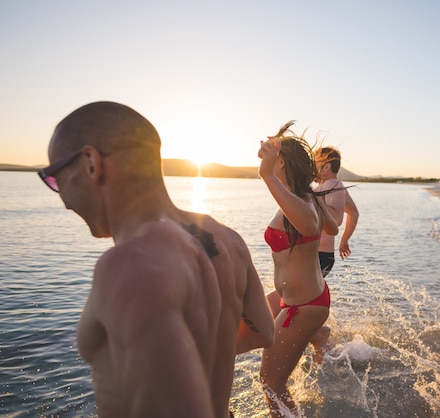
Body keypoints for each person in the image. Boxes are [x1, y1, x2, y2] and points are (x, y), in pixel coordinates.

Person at [38, 101, 274, 418]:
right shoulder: (229, 240)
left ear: (91, 163)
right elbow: (263, 333)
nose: (62, 198)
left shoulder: (130, 265)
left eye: (54, 178)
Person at [257, 121, 338, 417]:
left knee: (270, 384)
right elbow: (332, 226)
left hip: (303, 306)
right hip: (296, 299)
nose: (262, 160)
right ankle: (317, 335)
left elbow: (309, 225)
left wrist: (266, 176)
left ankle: (312, 331)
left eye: (269, 158)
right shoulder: (305, 196)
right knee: (232, 326)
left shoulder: (302, 201)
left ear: (281, 163)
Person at [314, 146, 359, 277]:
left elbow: (335, 219)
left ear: (326, 166)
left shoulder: (332, 185)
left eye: (315, 162)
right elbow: (354, 213)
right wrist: (344, 240)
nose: (312, 166)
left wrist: (312, 202)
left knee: (290, 294)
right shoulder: (333, 186)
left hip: (318, 256)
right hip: (321, 255)